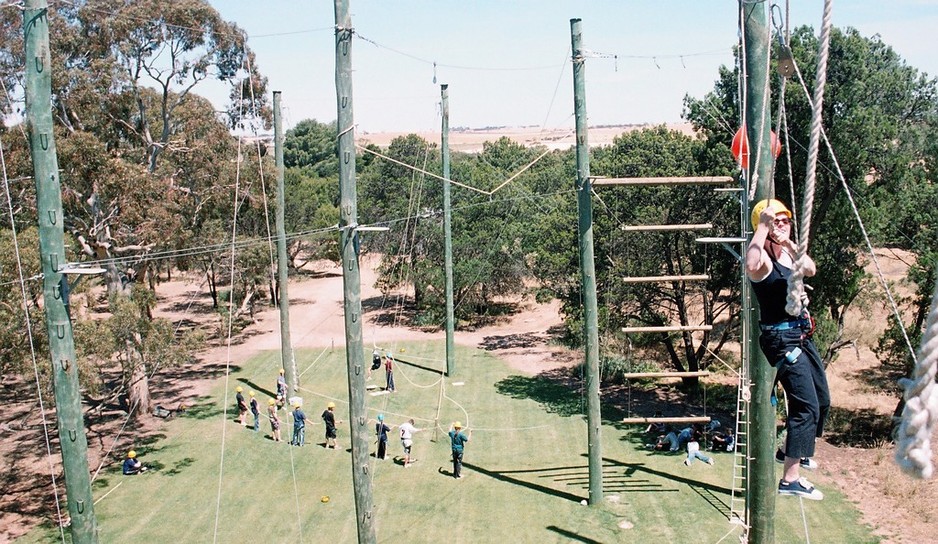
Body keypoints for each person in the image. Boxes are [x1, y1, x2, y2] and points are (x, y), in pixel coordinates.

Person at [746, 198, 828, 501]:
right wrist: (762, 228)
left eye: (785, 220)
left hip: (801, 334)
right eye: (775, 221)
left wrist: (790, 243)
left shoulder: (786, 255)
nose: (782, 225)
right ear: (764, 227)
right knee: (805, 406)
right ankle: (790, 479)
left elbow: (810, 269)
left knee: (822, 401)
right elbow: (751, 264)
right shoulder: (764, 260)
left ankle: (793, 451)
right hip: (781, 340)